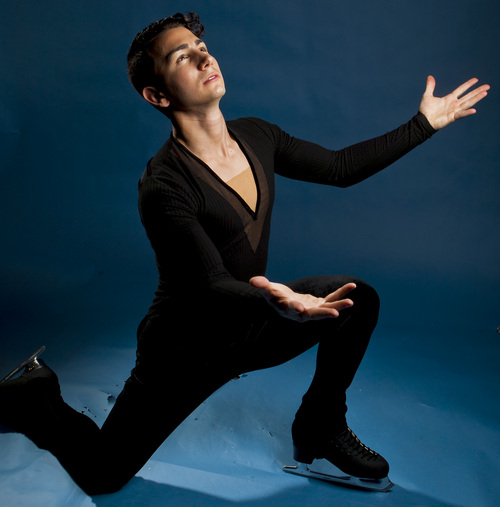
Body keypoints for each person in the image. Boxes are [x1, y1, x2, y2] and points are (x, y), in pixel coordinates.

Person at [0, 12, 489, 496]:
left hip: (255, 324)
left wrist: (422, 125)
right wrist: (278, 302)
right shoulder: (164, 185)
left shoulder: (258, 135)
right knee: (102, 476)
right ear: (158, 95)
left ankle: (320, 426)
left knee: (359, 301)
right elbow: (210, 282)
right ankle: (35, 396)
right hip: (186, 349)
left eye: (201, 47)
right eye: (182, 57)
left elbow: (341, 167)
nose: (203, 57)